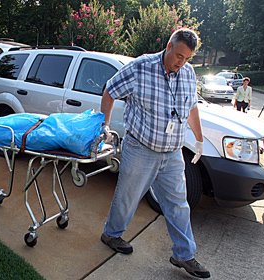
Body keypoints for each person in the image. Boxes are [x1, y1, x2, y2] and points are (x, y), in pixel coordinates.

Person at [100, 28, 210, 279]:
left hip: (172, 153)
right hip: (140, 149)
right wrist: (103, 125)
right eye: (179, 55)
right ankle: (112, 234)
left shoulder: (188, 73)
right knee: (128, 197)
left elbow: (191, 106)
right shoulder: (141, 67)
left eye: (187, 58)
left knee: (178, 205)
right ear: (169, 45)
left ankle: (184, 255)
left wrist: (200, 138)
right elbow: (110, 90)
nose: (181, 63)